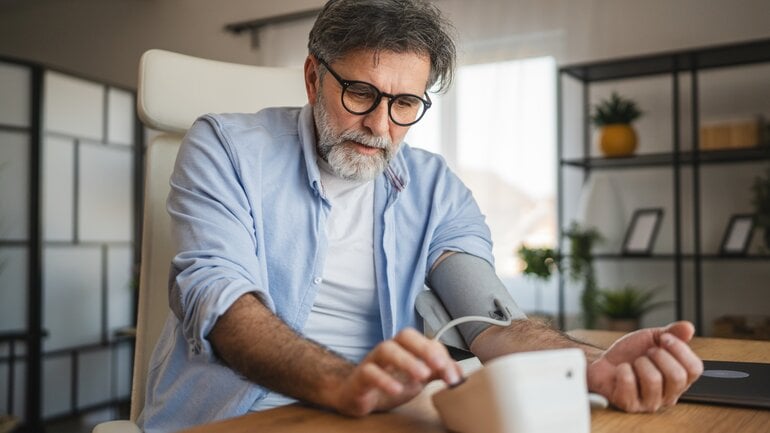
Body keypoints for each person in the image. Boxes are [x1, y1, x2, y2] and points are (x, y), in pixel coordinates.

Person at [138, 0, 703, 431]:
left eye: (405, 103)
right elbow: (220, 302)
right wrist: (341, 381)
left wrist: (590, 364)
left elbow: (490, 322)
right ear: (313, 78)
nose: (380, 126)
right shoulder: (226, 147)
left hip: (372, 417)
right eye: (360, 93)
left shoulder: (433, 187)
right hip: (233, 417)